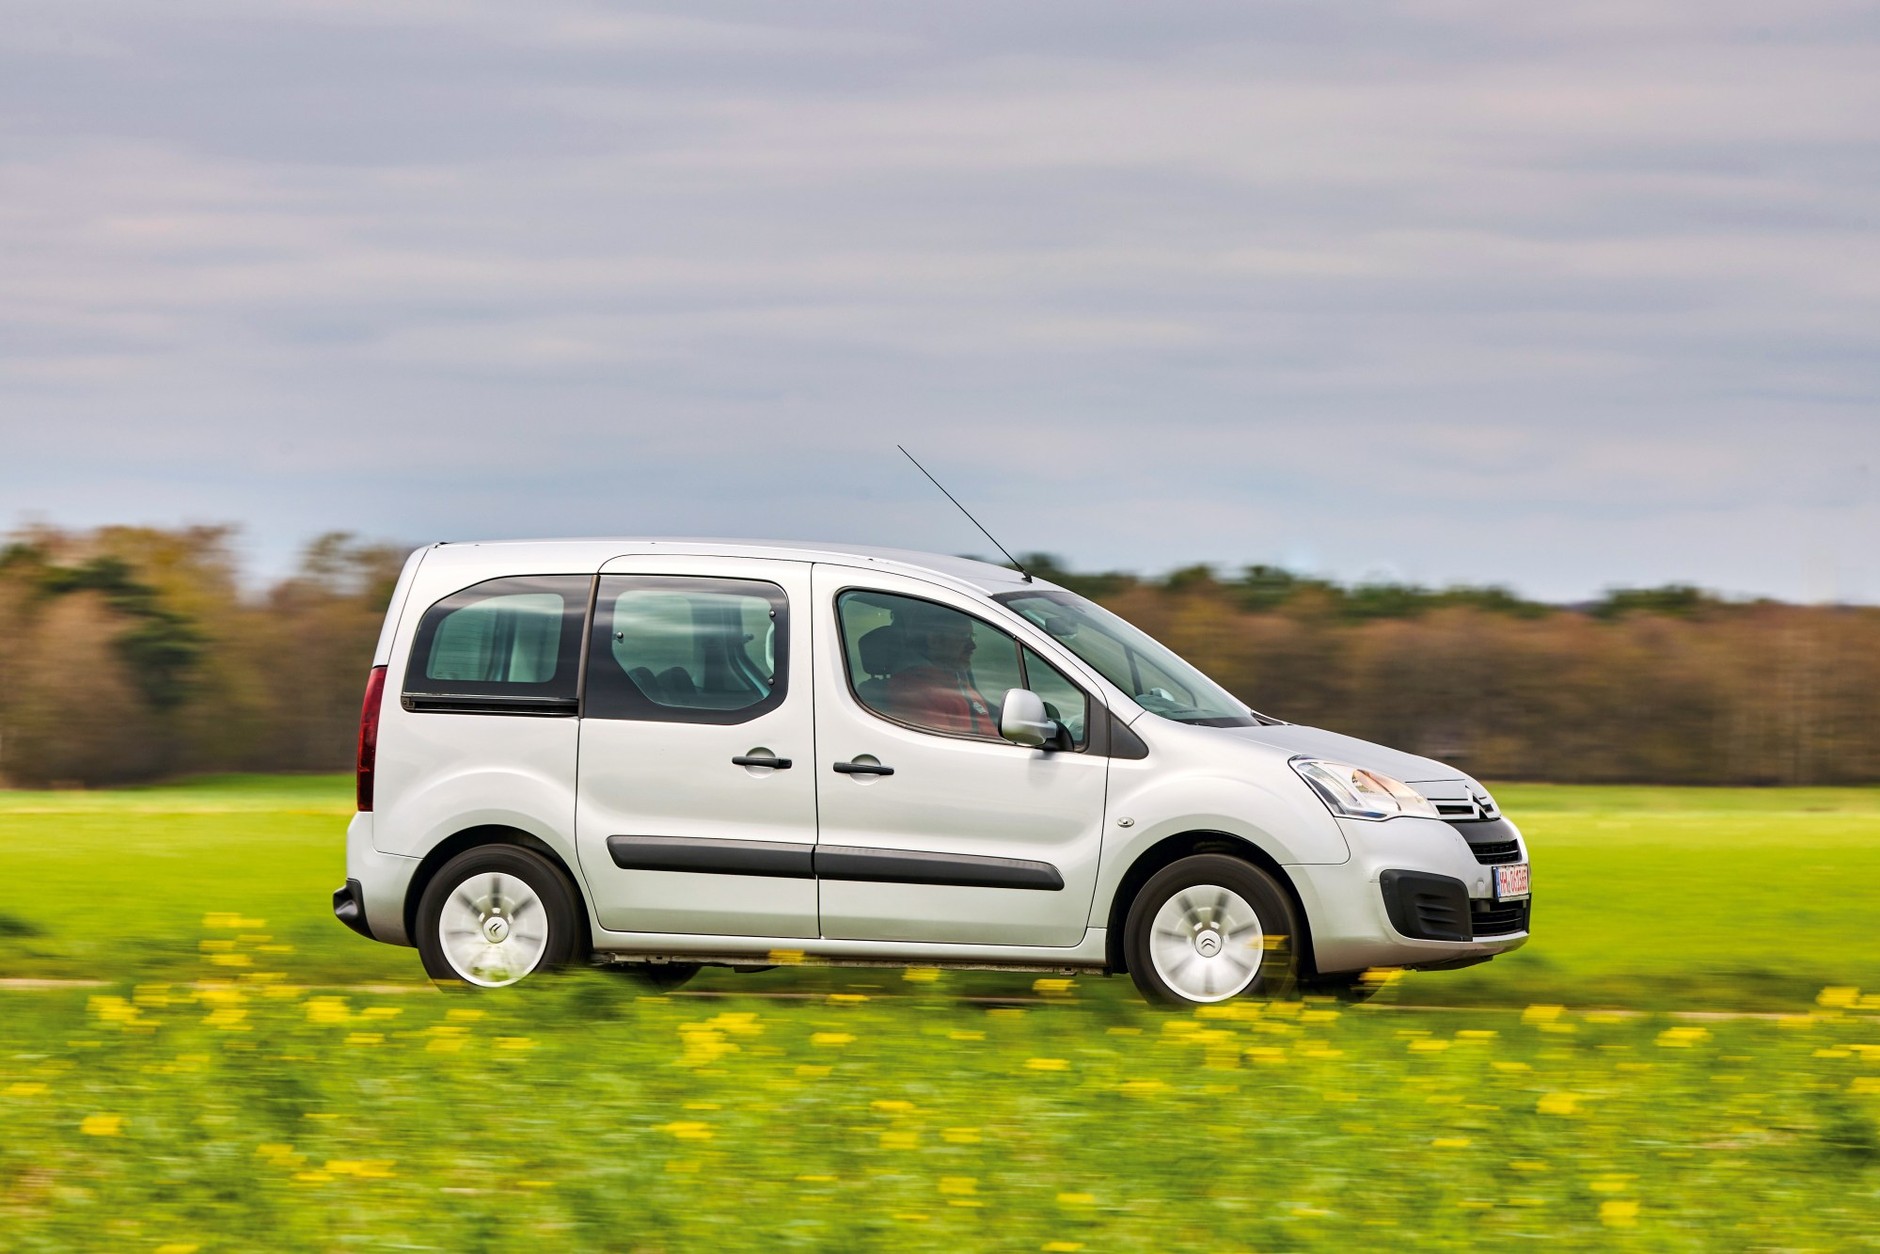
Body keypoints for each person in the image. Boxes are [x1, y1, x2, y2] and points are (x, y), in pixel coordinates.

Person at [884, 608, 998, 737]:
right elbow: (944, 750)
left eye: (972, 637)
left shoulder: (954, 678)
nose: (972, 646)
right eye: (964, 637)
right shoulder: (915, 691)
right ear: (934, 640)